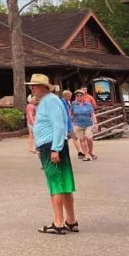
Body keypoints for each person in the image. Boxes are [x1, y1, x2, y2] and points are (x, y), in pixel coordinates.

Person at [28, 74, 78, 235]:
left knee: (55, 183)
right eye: (32, 85)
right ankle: (71, 220)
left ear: (44, 87)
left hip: (51, 145)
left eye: (35, 85)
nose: (32, 88)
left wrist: (55, 148)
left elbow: (58, 125)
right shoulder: (50, 101)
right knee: (65, 183)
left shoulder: (49, 101)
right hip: (53, 144)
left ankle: (58, 222)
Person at [71, 90, 98, 161]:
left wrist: (95, 123)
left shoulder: (88, 103)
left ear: (83, 96)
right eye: (77, 96)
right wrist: (71, 123)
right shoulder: (74, 104)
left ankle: (91, 151)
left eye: (81, 95)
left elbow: (92, 113)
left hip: (88, 123)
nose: (79, 97)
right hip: (78, 124)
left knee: (89, 138)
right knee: (82, 140)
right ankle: (86, 155)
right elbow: (71, 113)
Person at [62, 89, 81, 159]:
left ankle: (79, 151)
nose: (70, 98)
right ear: (66, 96)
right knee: (64, 140)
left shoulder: (67, 102)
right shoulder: (62, 102)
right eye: (69, 96)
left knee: (75, 138)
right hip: (66, 125)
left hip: (69, 124)